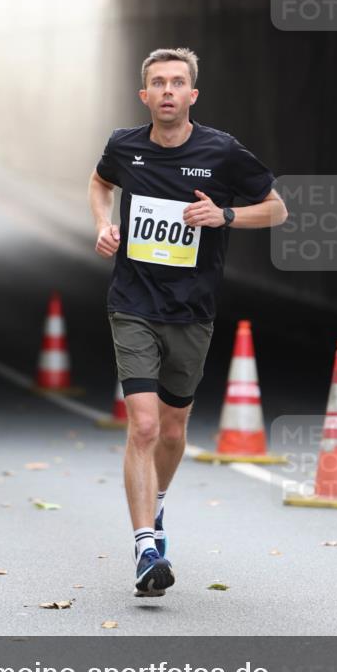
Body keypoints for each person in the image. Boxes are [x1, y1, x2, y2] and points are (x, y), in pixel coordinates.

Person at [88, 48, 287, 596]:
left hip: (192, 311)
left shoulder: (221, 152)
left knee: (174, 428)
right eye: (159, 83)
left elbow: (277, 209)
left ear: (192, 95)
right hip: (132, 302)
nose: (169, 91)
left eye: (178, 82)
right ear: (144, 95)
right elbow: (100, 183)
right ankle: (145, 547)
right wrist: (104, 225)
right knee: (145, 425)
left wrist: (224, 215)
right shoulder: (124, 146)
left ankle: (156, 505)